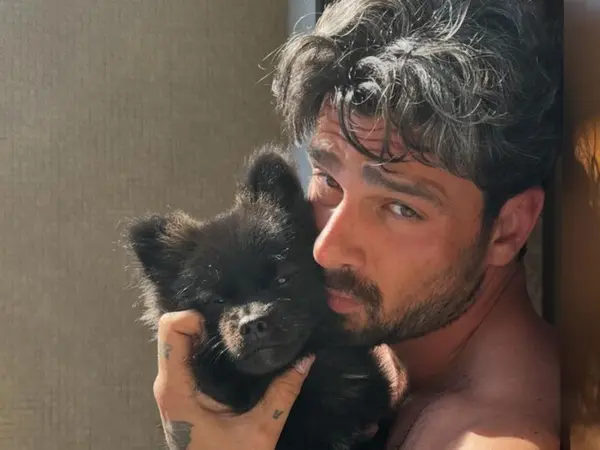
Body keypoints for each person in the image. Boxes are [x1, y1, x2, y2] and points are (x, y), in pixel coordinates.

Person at [151, 0, 562, 448]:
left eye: (401, 208)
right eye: (328, 180)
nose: (327, 248)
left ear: (508, 228)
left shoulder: (493, 439)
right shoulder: (383, 346)